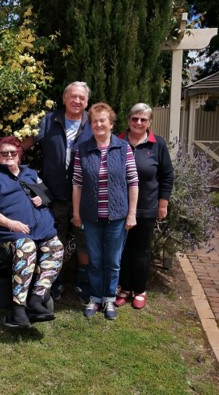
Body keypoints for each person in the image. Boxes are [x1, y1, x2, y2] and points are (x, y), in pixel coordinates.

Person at [21, 81, 93, 302]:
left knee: (84, 241)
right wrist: (5, 155)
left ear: (87, 101)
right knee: (55, 241)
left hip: (85, 196)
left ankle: (83, 283)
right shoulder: (49, 120)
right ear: (64, 98)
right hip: (55, 194)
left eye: (81, 97)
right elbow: (26, 143)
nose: (77, 101)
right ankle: (54, 282)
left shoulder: (93, 121)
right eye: (73, 96)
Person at [0, 137, 64, 328]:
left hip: (41, 229)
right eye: (4, 153)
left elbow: (47, 195)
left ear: (19, 155)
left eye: (13, 152)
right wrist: (11, 223)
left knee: (56, 246)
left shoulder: (31, 173)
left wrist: (41, 198)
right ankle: (18, 309)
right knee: (26, 246)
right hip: (9, 233)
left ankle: (36, 300)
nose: (9, 156)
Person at [72, 103, 139, 320]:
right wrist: (76, 212)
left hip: (117, 216)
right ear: (90, 125)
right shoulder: (82, 150)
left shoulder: (123, 148)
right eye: (94, 121)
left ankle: (109, 297)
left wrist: (132, 213)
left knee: (112, 260)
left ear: (111, 123)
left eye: (103, 120)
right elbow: (77, 183)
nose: (99, 124)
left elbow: (133, 181)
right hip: (91, 216)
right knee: (95, 259)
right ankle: (95, 298)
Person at [115, 103, 174, 309]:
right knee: (122, 250)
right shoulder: (117, 142)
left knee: (140, 251)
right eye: (135, 119)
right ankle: (125, 288)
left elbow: (167, 175)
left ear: (149, 122)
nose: (138, 123)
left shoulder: (157, 144)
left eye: (143, 119)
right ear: (128, 120)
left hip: (147, 207)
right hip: (119, 207)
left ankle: (140, 290)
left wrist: (163, 204)